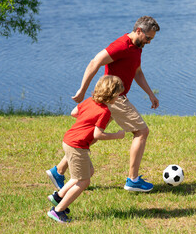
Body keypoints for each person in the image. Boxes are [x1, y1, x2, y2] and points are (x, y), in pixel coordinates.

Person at [46, 16, 160, 192]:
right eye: (148, 38)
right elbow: (95, 61)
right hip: (115, 97)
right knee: (141, 132)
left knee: (89, 138)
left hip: (114, 98)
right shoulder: (121, 45)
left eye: (151, 38)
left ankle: (58, 171)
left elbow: (137, 71)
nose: (150, 42)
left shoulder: (137, 46)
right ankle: (133, 180)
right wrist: (82, 90)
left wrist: (150, 94)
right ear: (138, 31)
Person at [47, 75, 126, 223]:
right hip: (77, 146)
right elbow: (98, 134)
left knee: (88, 172)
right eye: (118, 95)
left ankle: (58, 197)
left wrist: (87, 119)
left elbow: (74, 113)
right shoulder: (105, 111)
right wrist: (117, 135)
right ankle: (58, 211)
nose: (118, 98)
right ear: (111, 95)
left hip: (70, 141)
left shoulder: (89, 101)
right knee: (83, 181)